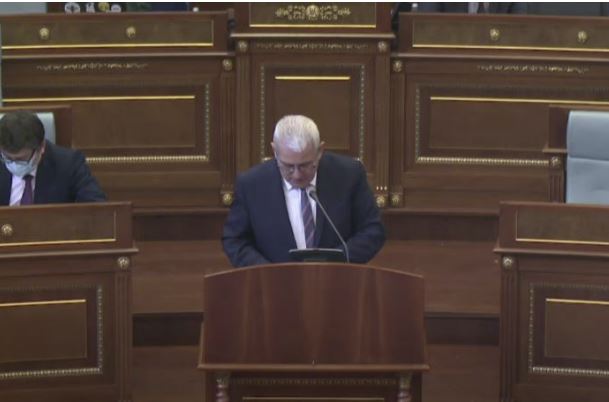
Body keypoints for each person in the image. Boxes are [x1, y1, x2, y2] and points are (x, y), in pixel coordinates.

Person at [222, 115, 385, 268]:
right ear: (274, 150)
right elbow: (235, 240)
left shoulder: (348, 175)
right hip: (273, 283)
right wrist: (266, 272)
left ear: (320, 151)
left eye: (305, 165)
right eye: (288, 166)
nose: (297, 175)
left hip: (337, 279)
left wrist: (336, 261)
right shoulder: (252, 184)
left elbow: (373, 230)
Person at [0, 110, 106, 205]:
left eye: (20, 159)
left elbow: (95, 207)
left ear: (41, 147)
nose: (13, 164)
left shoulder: (69, 164)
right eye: (7, 158)